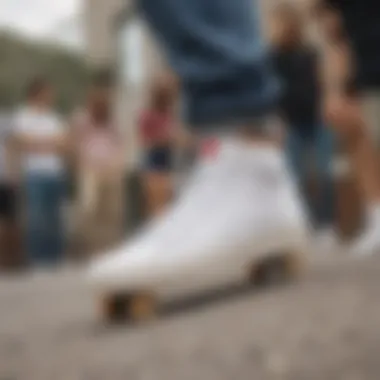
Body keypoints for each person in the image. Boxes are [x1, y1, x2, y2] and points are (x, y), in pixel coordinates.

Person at [89, 0, 310, 283]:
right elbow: (150, 137)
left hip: (199, 147)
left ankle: (243, 144)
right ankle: (251, 163)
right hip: (168, 159)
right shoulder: (151, 115)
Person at [315, 0, 380, 256]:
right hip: (364, 73)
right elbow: (333, 33)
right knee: (361, 145)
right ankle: (377, 216)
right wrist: (333, 91)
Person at [271, 4, 336, 243]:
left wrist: (327, 105)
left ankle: (326, 226)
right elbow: (271, 95)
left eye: (280, 23)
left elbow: (323, 82)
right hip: (291, 125)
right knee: (295, 177)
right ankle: (306, 226)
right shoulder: (271, 58)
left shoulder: (309, 53)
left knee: (324, 173)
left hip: (318, 121)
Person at [13, 78, 68, 267]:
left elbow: (63, 144)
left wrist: (40, 143)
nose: (51, 97)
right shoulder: (23, 116)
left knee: (55, 218)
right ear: (36, 94)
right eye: (47, 93)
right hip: (35, 174)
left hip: (55, 173)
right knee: (37, 217)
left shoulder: (54, 117)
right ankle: (38, 260)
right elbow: (24, 143)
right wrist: (49, 143)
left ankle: (55, 258)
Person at [72, 76, 125, 255]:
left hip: (110, 171)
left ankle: (109, 248)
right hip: (90, 170)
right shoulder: (81, 120)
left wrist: (116, 164)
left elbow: (119, 144)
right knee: (89, 208)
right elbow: (76, 145)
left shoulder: (111, 122)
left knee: (111, 212)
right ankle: (91, 248)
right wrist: (83, 163)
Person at [138, 74, 178, 217]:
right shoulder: (147, 116)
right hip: (154, 162)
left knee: (167, 206)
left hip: (167, 162)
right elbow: (146, 140)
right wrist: (165, 138)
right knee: (156, 205)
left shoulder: (168, 115)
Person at [0, 112, 21, 270]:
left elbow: (12, 147)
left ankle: (10, 261)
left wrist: (14, 173)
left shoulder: (4, 120)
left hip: (5, 179)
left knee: (10, 221)